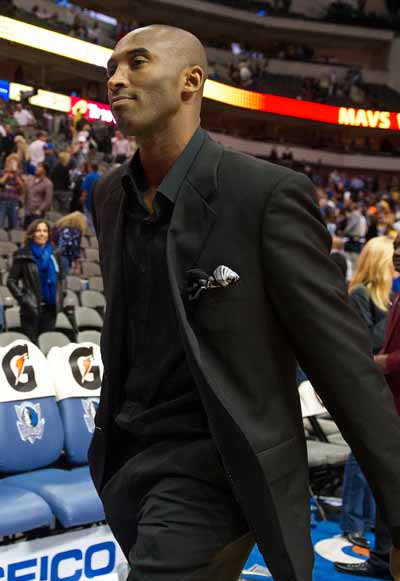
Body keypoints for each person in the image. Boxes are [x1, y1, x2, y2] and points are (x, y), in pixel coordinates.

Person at [88, 25, 400, 581]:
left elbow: (343, 366)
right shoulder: (108, 194)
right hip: (129, 461)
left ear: (191, 81)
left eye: (136, 63)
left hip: (221, 466)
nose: (115, 79)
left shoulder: (266, 195)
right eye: (111, 67)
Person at [335, 234, 400, 579]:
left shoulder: (389, 298)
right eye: (393, 258)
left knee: (379, 471)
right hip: (368, 391)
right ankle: (353, 524)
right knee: (362, 461)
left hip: (386, 393)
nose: (395, 265)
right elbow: (359, 343)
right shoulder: (362, 296)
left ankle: (375, 541)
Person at [7, 219, 64, 344]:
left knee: (47, 344)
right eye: (38, 230)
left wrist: (60, 297)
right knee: (31, 347)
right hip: (31, 308)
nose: (42, 234)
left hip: (50, 309)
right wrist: (24, 299)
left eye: (45, 231)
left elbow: (61, 278)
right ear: (32, 233)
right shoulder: (22, 254)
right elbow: (11, 281)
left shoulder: (55, 254)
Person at [52, 211, 87, 275]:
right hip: (65, 257)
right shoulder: (76, 231)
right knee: (64, 278)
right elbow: (73, 246)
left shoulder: (60, 228)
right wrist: (77, 262)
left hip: (55, 255)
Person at [24, 162, 53, 228]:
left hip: (37, 213)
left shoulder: (48, 183)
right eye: (37, 166)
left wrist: (39, 210)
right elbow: (26, 194)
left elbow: (48, 200)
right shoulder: (30, 180)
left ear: (44, 170)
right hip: (28, 211)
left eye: (39, 167)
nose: (36, 168)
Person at [0, 153, 24, 230]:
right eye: (12, 161)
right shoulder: (2, 172)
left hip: (14, 201)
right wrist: (7, 174)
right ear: (8, 162)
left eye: (15, 161)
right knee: (0, 221)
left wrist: (16, 175)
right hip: (2, 200)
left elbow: (21, 186)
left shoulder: (18, 173)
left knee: (14, 223)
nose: (13, 163)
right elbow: (1, 182)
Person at [80, 162, 100, 233]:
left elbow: (85, 190)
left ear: (90, 167)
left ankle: (90, 232)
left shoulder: (88, 177)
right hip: (97, 201)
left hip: (88, 201)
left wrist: (82, 199)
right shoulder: (100, 176)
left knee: (88, 219)